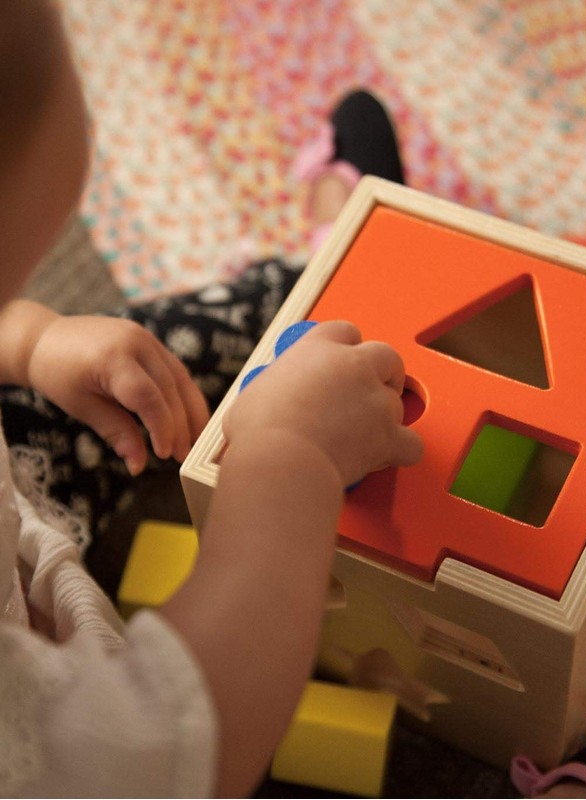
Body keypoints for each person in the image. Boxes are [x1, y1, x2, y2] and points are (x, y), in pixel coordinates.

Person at [0, 2, 421, 796]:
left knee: (147, 357)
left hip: (22, 483)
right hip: (81, 745)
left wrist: (31, 343)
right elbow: (168, 747)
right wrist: (291, 456)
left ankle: (333, 268)